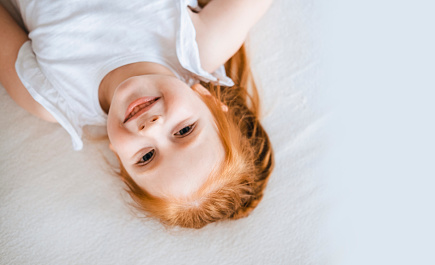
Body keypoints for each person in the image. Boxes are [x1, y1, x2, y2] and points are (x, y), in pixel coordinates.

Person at [0, 0, 274, 229]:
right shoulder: (198, 45)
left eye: (146, 157)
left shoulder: (51, 99)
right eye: (184, 131)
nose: (151, 129)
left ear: (119, 157)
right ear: (209, 100)